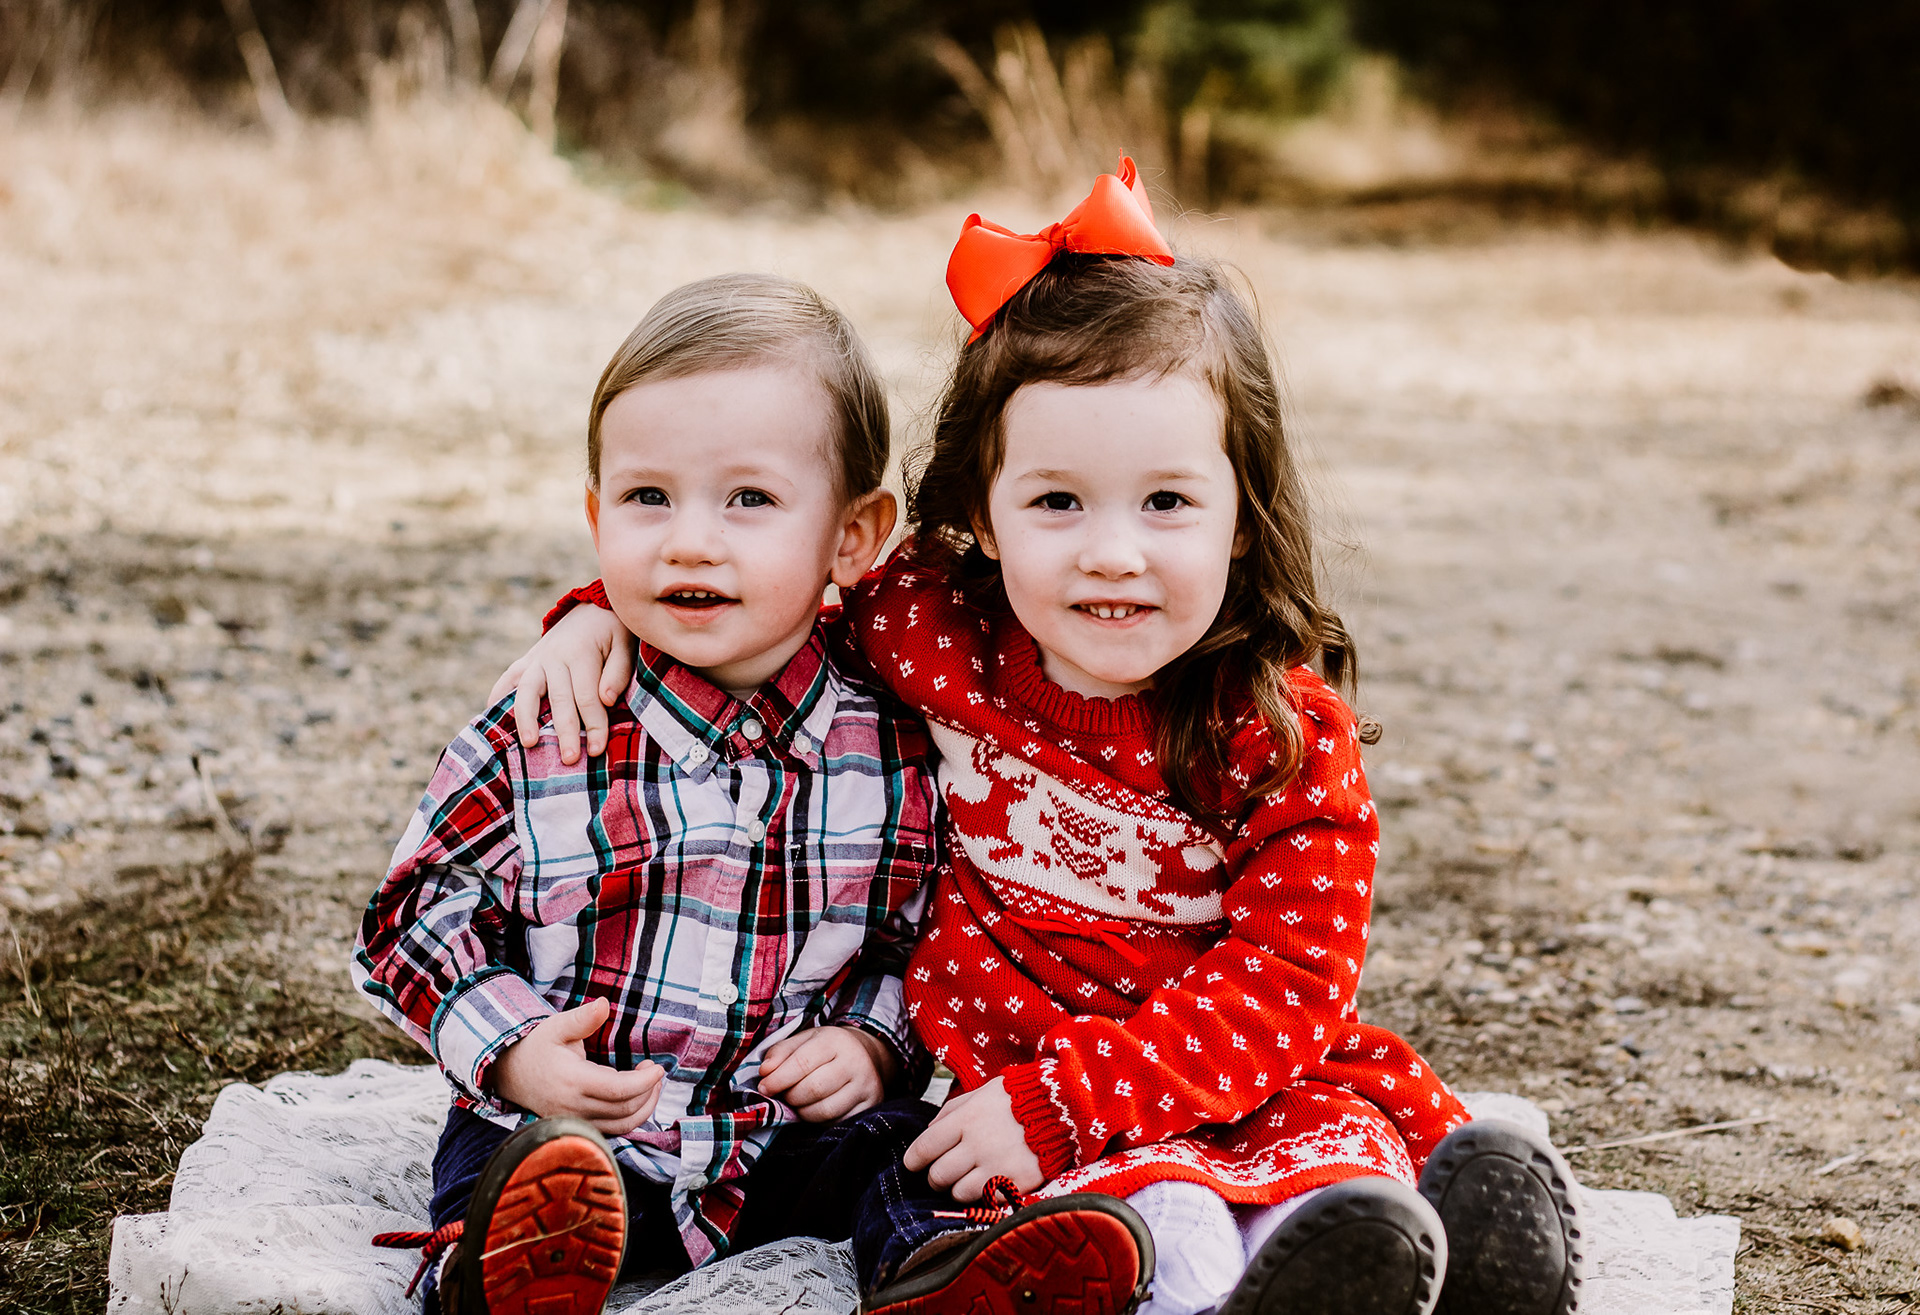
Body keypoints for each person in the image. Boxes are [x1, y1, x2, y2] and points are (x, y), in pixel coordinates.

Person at [517, 163, 1586, 1315]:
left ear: (1242, 513)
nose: (1111, 552)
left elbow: (1289, 983)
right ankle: (1285, 1287)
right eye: (1057, 502)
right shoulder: (935, 636)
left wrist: (1073, 1100)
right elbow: (762, 599)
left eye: (1166, 503)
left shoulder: (1278, 735)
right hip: (1018, 1092)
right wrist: (597, 613)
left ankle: (1431, 1252)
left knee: (1330, 1171)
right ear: (981, 510)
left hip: (1230, 1070)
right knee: (1151, 1223)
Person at [353, 273, 964, 1315]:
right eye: (648, 497)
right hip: (580, 1131)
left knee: (914, 1149)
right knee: (509, 1162)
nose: (689, 539)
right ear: (597, 515)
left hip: (782, 1142)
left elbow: (924, 938)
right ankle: (502, 1274)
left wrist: (872, 1040)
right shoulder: (546, 725)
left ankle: (940, 1274)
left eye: (749, 499)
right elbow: (413, 916)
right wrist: (514, 1049)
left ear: (852, 536)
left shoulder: (900, 749)